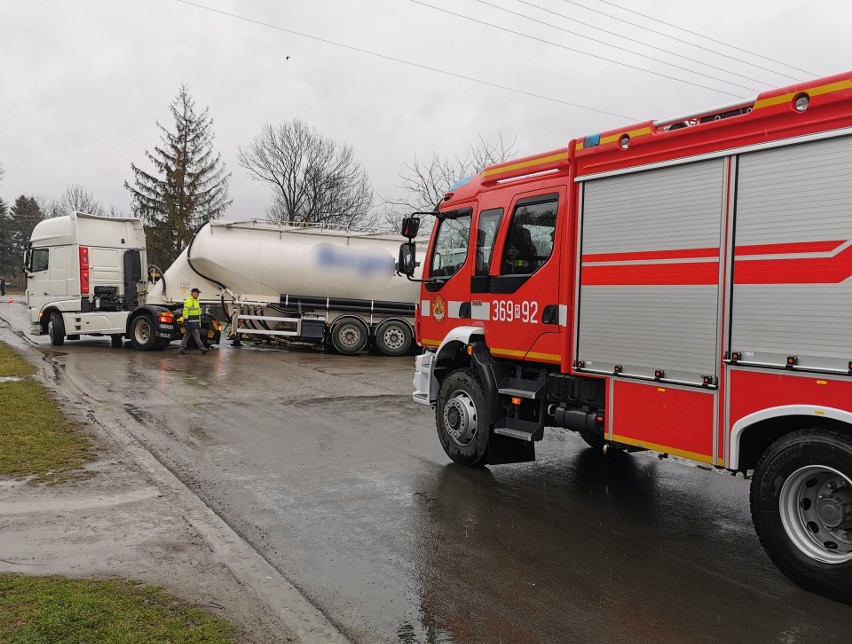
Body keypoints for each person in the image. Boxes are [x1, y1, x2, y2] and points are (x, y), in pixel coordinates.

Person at [177, 288, 208, 355]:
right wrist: (185, 320)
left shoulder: (195, 300)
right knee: (196, 333)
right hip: (190, 321)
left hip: (193, 321)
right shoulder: (189, 300)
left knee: (187, 334)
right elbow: (185, 310)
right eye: (197, 293)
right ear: (193, 293)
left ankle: (181, 349)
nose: (198, 295)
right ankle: (202, 348)